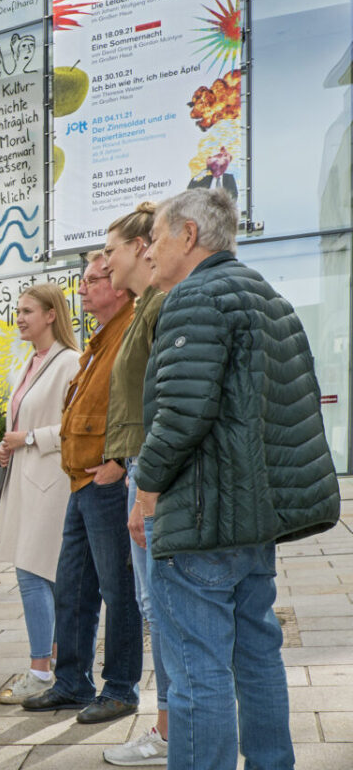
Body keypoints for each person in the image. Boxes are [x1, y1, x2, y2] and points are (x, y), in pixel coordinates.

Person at [134, 189, 340, 769]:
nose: (148, 250)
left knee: (198, 671)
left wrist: (145, 489)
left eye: (156, 237)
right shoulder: (268, 298)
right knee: (257, 657)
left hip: (201, 517)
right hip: (252, 522)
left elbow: (180, 413)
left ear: (189, 236)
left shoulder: (196, 298)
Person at [22, 253, 144, 724]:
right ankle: (72, 682)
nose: (85, 288)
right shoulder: (101, 339)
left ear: (119, 286)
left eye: (95, 280)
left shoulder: (131, 331)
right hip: (80, 479)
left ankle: (121, 688)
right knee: (73, 588)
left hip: (104, 480)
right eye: (84, 281)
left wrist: (119, 460)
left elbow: (136, 400)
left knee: (118, 589)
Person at [98, 204, 171, 765]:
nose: (105, 259)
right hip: (139, 466)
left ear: (144, 246)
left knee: (159, 609)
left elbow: (164, 405)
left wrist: (142, 488)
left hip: (147, 468)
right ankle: (170, 724)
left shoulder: (157, 308)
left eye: (112, 249)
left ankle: (170, 729)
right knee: (156, 608)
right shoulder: (146, 307)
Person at [0, 284, 80, 704]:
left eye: (28, 310)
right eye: (18, 310)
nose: (20, 317)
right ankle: (56, 665)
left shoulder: (70, 363)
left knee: (34, 573)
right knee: (43, 574)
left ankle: (40, 670)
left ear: (51, 315)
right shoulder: (28, 364)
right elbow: (22, 422)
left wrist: (28, 437)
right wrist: (8, 444)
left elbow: (75, 428)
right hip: (28, 481)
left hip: (51, 483)